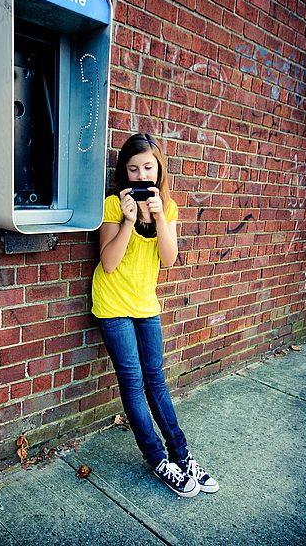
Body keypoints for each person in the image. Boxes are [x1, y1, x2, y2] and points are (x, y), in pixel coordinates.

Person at [91, 133, 219, 497]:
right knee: (133, 383)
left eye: (148, 166)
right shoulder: (114, 206)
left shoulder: (170, 206)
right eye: (133, 169)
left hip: (146, 304)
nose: (141, 174)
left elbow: (168, 259)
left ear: (159, 168)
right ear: (124, 172)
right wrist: (129, 222)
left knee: (156, 380)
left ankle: (182, 455)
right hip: (113, 303)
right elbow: (109, 263)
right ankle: (158, 459)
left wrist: (160, 217)